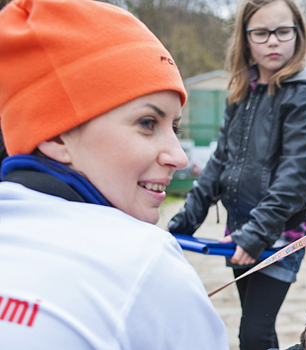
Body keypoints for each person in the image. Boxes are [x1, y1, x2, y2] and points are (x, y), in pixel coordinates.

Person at [0, 0, 229, 348]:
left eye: (175, 128)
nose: (179, 157)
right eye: (147, 123)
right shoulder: (145, 259)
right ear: (56, 134)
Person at [166, 0, 306, 349]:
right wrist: (182, 223)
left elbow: (295, 177)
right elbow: (219, 162)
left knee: (251, 335)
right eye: (261, 32)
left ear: (298, 35)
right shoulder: (241, 92)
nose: (273, 41)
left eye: (283, 31)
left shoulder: (305, 94)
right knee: (259, 332)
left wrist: (255, 235)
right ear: (245, 38)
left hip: (279, 237)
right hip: (239, 234)